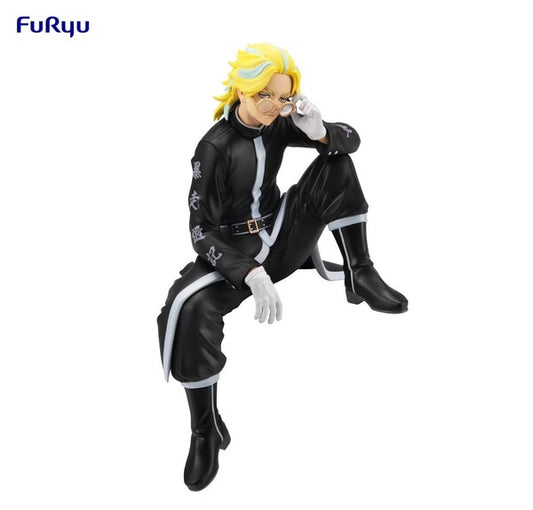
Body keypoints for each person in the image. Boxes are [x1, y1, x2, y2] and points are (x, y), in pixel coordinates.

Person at [157, 43, 408, 491]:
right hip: (236, 255)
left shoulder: (279, 122)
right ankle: (205, 429)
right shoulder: (213, 147)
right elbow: (199, 231)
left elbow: (352, 141)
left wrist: (322, 132)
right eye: (265, 95)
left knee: (336, 162)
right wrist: (248, 272)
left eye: (283, 97)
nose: (274, 106)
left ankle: (360, 271)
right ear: (242, 89)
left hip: (283, 236)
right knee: (188, 311)